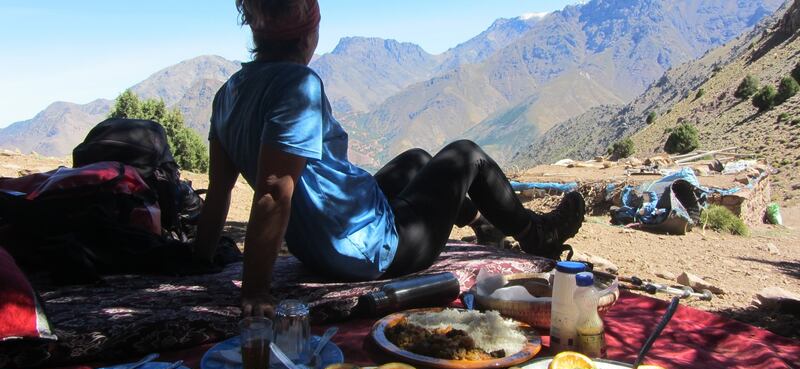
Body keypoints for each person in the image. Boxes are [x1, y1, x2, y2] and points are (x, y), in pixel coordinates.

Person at [193, 0, 585, 317]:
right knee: (466, 156)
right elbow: (275, 191)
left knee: (416, 159)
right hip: (367, 251)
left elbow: (219, 193)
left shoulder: (228, 94)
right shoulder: (297, 84)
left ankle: (483, 225)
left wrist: (200, 257)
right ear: (308, 34)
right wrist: (257, 290)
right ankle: (540, 236)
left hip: (318, 243)